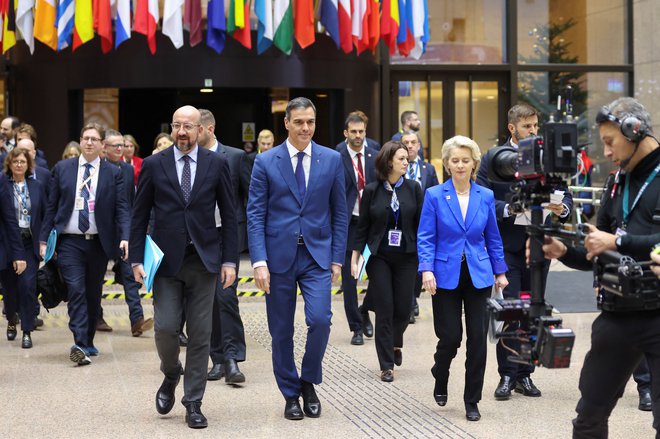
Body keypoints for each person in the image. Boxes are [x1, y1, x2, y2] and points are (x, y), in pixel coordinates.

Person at [539, 97, 660, 437]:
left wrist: (616, 242)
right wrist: (564, 251)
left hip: (658, 313)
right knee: (588, 416)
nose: (606, 152)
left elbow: (630, 241)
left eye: (610, 142)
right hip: (617, 314)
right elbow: (595, 244)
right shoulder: (617, 181)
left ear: (634, 131)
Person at [130, 105, 238, 429]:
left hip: (204, 261)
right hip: (166, 263)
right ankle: (170, 372)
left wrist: (230, 260)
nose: (181, 132)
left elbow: (230, 216)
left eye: (188, 127)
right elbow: (139, 215)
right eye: (176, 126)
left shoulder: (217, 164)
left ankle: (193, 401)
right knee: (164, 328)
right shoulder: (153, 164)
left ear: (201, 130)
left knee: (201, 334)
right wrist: (136, 259)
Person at [247, 97, 347, 421]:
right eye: (299, 122)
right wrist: (259, 262)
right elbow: (255, 214)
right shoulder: (265, 162)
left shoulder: (331, 160)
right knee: (281, 331)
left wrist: (337, 259)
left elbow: (340, 213)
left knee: (320, 320)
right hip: (278, 257)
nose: (306, 128)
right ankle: (290, 394)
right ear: (286, 123)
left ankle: (308, 381)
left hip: (317, 255)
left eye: (311, 122)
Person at [476, 103, 573, 401]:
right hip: (507, 248)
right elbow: (481, 199)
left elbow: (565, 194)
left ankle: (524, 375)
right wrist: (507, 208)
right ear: (512, 128)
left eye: (535, 125)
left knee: (533, 312)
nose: (533, 131)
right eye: (527, 126)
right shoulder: (494, 159)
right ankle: (507, 375)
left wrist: (563, 207)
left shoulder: (546, 156)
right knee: (512, 312)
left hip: (539, 248)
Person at [418, 135, 508, 422]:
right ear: (446, 164)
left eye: (465, 161)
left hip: (478, 275)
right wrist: (427, 269)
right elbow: (426, 236)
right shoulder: (434, 195)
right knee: (451, 337)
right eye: (454, 161)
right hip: (444, 275)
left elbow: (492, 237)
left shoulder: (486, 196)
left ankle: (472, 400)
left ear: (474, 165)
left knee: (478, 341)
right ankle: (440, 371)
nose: (459, 165)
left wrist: (500, 271)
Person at [39, 123, 130, 366]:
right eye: (85, 138)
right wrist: (43, 240)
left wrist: (125, 236)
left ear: (102, 144)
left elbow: (122, 207)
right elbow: (51, 207)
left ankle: (88, 340)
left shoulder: (113, 172)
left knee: (92, 294)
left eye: (94, 139)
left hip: (99, 243)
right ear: (80, 141)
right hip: (70, 242)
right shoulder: (63, 169)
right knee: (76, 290)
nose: (89, 142)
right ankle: (79, 342)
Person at [350, 140, 423, 383]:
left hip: (407, 256)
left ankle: (395, 342)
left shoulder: (414, 188)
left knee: (403, 308)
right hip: (378, 255)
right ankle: (386, 365)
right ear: (388, 161)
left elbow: (422, 226)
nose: (406, 162)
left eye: (407, 158)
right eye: (401, 158)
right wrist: (355, 258)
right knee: (385, 308)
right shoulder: (371, 190)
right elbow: (363, 228)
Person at [197, 108, 250, 384]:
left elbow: (249, 197)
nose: (189, 134)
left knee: (226, 296)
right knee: (210, 300)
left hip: (228, 236)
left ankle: (232, 358)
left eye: (196, 128)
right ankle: (217, 358)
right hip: (201, 238)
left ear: (209, 129)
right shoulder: (190, 159)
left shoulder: (236, 157)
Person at [97, 130, 153, 337]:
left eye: (122, 145)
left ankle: (136, 320)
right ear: (104, 147)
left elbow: (131, 201)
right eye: (115, 146)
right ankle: (96, 316)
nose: (121, 149)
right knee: (96, 278)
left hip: (124, 231)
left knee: (130, 275)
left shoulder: (128, 170)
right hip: (101, 230)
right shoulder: (99, 168)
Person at [337, 113, 377, 346]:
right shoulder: (336, 156)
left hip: (371, 223)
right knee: (349, 277)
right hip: (348, 223)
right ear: (346, 133)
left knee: (376, 271)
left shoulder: (375, 153)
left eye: (361, 131)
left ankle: (365, 309)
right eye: (353, 132)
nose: (358, 136)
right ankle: (356, 327)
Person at [1, 148, 44, 348]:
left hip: (29, 243)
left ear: (28, 165)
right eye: (15, 161)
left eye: (23, 161)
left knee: (27, 287)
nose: (19, 164)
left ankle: (27, 330)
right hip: (7, 244)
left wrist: (44, 242)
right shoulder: (2, 185)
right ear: (9, 164)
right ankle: (11, 319)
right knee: (10, 289)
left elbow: (43, 215)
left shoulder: (36, 186)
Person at [401, 130, 439, 323]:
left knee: (419, 262)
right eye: (406, 142)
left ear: (418, 146)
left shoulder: (428, 169)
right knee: (407, 263)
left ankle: (413, 297)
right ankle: (408, 302)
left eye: (413, 142)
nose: (409, 145)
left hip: (425, 223)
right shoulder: (398, 167)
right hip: (403, 223)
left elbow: (436, 194)